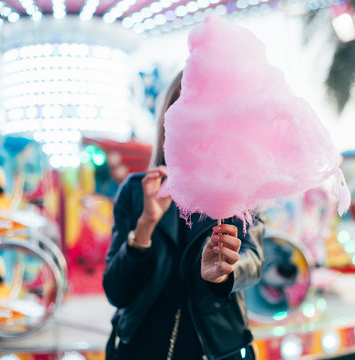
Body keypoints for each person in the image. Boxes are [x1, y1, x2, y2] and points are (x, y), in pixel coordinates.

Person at [103, 71, 264, 360]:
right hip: (140, 348)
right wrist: (145, 227)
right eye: (184, 108)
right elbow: (116, 292)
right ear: (168, 120)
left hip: (217, 349)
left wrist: (225, 272)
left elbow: (254, 261)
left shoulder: (238, 194)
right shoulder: (137, 191)